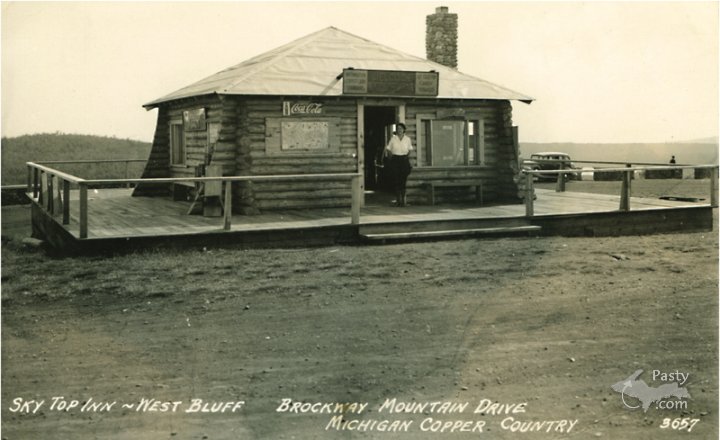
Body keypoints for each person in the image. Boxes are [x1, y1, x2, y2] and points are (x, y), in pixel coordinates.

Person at [384, 123, 413, 207]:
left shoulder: (407, 139)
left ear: (404, 130)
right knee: (396, 180)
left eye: (401, 129)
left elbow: (410, 149)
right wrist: (391, 157)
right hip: (395, 160)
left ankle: (403, 201)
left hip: (404, 160)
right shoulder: (393, 139)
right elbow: (388, 149)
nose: (399, 130)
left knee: (403, 181)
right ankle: (398, 201)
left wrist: (406, 157)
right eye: (398, 129)